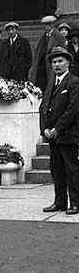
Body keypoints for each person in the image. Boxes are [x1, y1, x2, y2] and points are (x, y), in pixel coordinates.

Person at [39, 46, 79, 215]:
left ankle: (75, 203)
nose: (56, 65)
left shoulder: (74, 82)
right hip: (53, 136)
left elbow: (73, 109)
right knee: (57, 170)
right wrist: (45, 129)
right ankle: (60, 201)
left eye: (60, 61)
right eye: (54, 62)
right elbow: (43, 108)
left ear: (68, 63)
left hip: (68, 135)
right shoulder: (50, 84)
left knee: (72, 170)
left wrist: (57, 129)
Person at [29, 15, 67, 92]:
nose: (46, 27)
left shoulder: (58, 36)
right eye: (45, 25)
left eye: (48, 25)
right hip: (42, 65)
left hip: (52, 64)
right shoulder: (43, 36)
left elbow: (64, 50)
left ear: (52, 25)